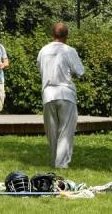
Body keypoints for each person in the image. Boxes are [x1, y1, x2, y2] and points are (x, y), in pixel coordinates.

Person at [37, 23, 84, 169]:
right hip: (66, 93)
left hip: (48, 93)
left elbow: (40, 69)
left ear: (53, 34)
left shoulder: (43, 50)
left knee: (52, 131)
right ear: (66, 36)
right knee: (65, 130)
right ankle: (61, 164)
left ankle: (55, 161)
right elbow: (80, 72)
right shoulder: (69, 50)